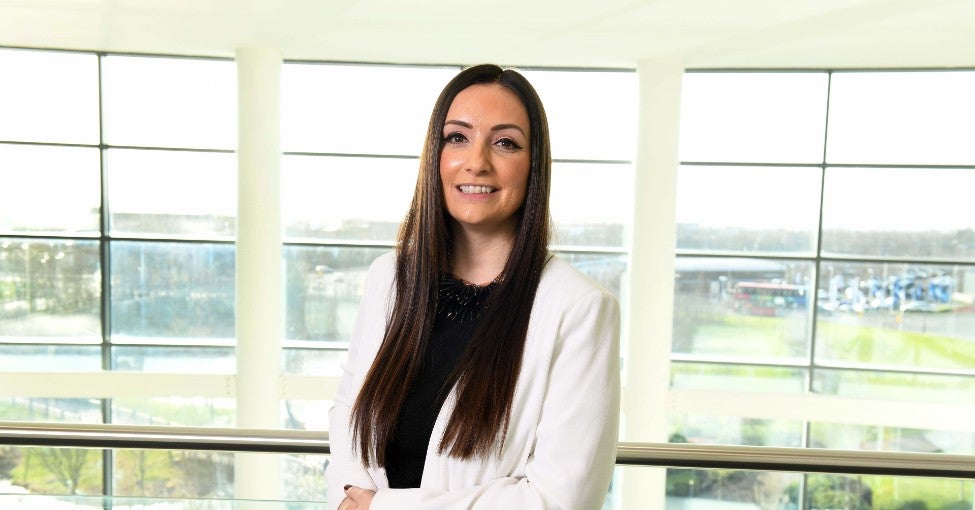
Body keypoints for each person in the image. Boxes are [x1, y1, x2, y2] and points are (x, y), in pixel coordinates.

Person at [326, 63, 620, 510]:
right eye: (457, 137)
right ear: (435, 155)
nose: (476, 162)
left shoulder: (578, 308)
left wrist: (382, 507)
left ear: (533, 166)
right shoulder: (390, 278)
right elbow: (348, 418)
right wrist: (349, 499)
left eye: (505, 143)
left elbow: (562, 500)